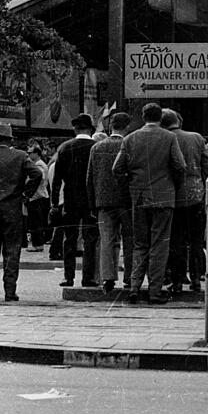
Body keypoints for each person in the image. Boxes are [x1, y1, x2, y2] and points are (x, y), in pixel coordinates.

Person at [112, 103, 185, 304]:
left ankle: (134, 286)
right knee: (160, 244)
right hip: (164, 196)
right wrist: (172, 185)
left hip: (139, 196)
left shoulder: (130, 139)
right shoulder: (170, 138)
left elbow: (117, 169)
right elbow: (180, 166)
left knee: (140, 244)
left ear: (143, 117)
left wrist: (131, 185)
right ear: (160, 117)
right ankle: (154, 290)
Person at [0, 122, 42, 301]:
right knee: (12, 252)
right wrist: (25, 195)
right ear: (10, 139)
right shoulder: (21, 156)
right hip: (13, 210)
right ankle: (10, 291)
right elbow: (37, 174)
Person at [160, 109, 208, 295]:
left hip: (173, 196)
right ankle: (196, 278)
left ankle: (178, 280)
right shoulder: (196, 138)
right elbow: (206, 166)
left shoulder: (164, 138)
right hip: (195, 194)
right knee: (196, 241)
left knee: (176, 241)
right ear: (179, 121)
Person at [86, 112, 133, 294]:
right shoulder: (128, 145)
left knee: (107, 239)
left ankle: (108, 278)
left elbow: (90, 179)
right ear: (127, 127)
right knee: (130, 240)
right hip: (126, 201)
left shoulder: (96, 147)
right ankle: (129, 277)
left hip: (103, 202)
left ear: (110, 126)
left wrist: (93, 203)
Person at [50, 113, 99, 288]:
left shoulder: (64, 148)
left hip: (70, 200)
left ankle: (68, 276)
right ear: (91, 129)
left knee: (69, 239)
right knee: (90, 240)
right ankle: (88, 277)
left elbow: (57, 180)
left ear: (75, 129)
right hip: (91, 201)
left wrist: (55, 203)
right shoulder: (96, 147)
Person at [25, 144, 49, 252]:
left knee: (36, 222)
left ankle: (38, 244)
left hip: (37, 196)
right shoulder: (38, 164)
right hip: (37, 196)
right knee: (35, 221)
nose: (28, 154)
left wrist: (28, 191)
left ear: (36, 153)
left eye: (30, 153)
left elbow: (39, 178)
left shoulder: (39, 165)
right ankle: (37, 243)